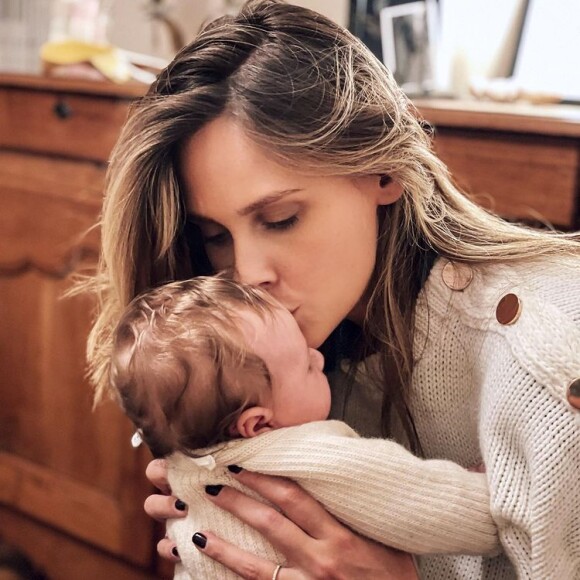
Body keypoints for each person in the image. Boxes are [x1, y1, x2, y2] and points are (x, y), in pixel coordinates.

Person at [84, 0, 580, 577]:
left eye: (281, 219)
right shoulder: (283, 362)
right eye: (215, 235)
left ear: (383, 169)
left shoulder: (549, 356)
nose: (246, 274)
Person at [110, 276, 499, 579]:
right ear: (258, 423)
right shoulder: (312, 455)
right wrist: (488, 500)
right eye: (303, 363)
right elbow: (420, 503)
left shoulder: (185, 463)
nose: (317, 356)